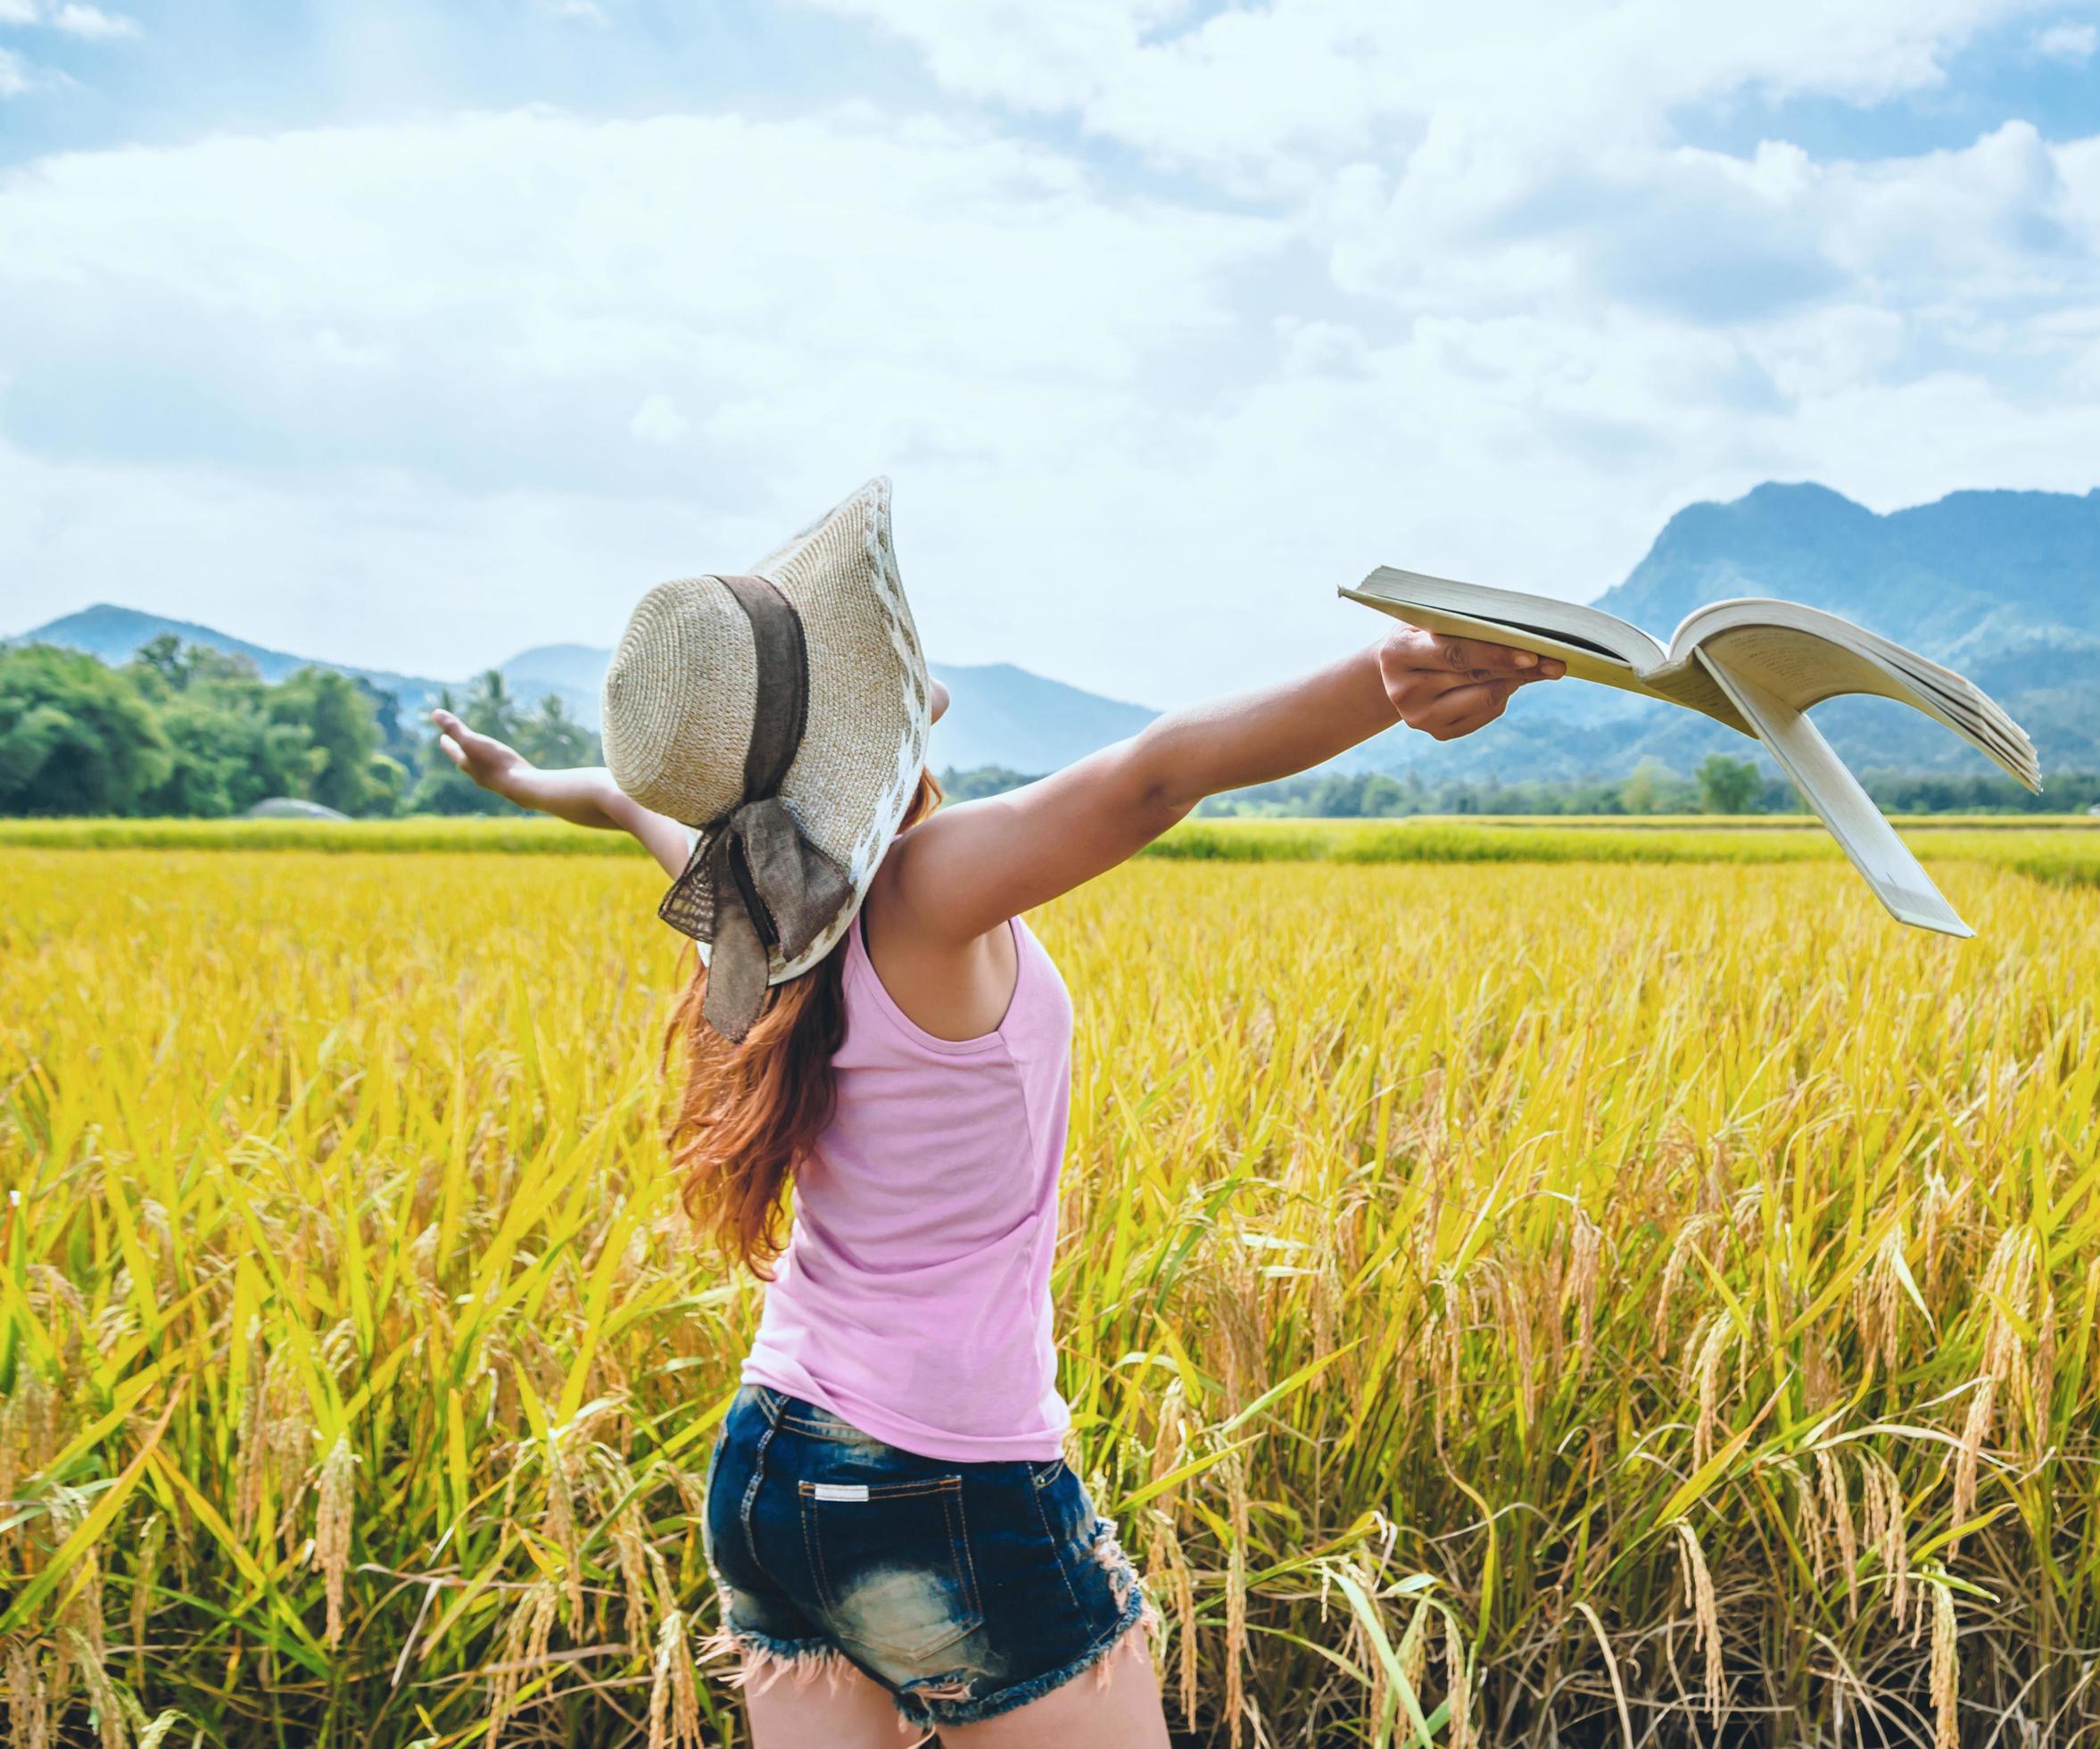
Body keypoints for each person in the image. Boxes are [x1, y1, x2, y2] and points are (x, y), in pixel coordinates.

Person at [431, 479, 1558, 1745]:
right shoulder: (920, 893)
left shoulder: (744, 898)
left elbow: (615, 795)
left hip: (770, 1469)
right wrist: (1383, 678)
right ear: (858, 722)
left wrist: (512, 773)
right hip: (941, 1475)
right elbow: (1154, 776)